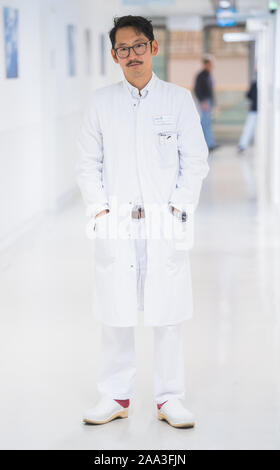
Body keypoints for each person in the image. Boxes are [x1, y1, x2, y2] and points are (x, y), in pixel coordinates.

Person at [76, 15, 209, 428]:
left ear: (153, 48)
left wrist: (176, 212)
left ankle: (170, 399)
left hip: (163, 222)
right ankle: (115, 396)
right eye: (122, 49)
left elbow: (196, 161)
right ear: (113, 56)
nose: (131, 55)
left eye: (138, 46)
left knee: (166, 313)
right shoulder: (101, 102)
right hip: (116, 222)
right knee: (116, 312)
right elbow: (87, 163)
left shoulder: (177, 100)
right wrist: (99, 211)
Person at [194, 55, 218, 152]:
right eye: (210, 64)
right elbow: (197, 89)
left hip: (209, 101)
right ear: (206, 64)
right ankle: (206, 144)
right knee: (205, 123)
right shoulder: (201, 75)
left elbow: (211, 91)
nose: (212, 66)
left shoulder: (208, 75)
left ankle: (210, 143)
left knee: (207, 123)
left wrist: (214, 103)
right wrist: (203, 101)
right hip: (205, 102)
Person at [237, 80, 257, 153]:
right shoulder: (255, 84)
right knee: (248, 128)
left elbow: (248, 95)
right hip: (255, 110)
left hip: (255, 110)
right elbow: (248, 95)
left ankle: (242, 145)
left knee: (248, 128)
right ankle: (242, 145)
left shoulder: (254, 84)